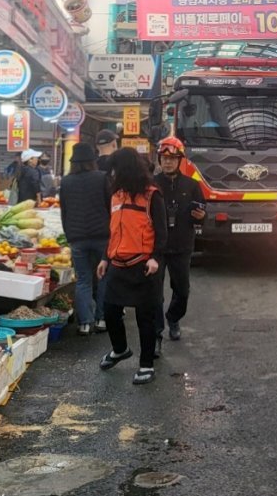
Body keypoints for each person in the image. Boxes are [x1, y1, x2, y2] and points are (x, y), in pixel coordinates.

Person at [97, 147, 166, 385]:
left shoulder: (152, 195)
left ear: (125, 170)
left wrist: (155, 257)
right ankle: (120, 349)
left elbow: (161, 231)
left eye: (115, 170)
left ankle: (146, 364)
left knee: (145, 318)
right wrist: (105, 258)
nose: (112, 175)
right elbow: (114, 230)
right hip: (117, 264)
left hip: (144, 265)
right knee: (110, 311)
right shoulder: (116, 196)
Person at [152, 136, 206, 346]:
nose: (168, 162)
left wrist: (200, 216)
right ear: (159, 160)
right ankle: (156, 333)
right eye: (164, 158)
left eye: (173, 158)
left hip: (182, 245)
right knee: (155, 293)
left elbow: (201, 212)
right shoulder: (151, 185)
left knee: (182, 290)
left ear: (180, 160)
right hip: (156, 247)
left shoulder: (192, 186)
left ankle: (173, 318)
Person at [59, 143, 110, 335]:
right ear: (92, 161)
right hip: (102, 236)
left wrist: (69, 234)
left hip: (78, 238)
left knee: (83, 280)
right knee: (103, 277)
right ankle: (102, 319)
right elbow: (109, 206)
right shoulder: (102, 178)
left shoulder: (66, 182)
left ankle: (84, 323)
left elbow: (64, 211)